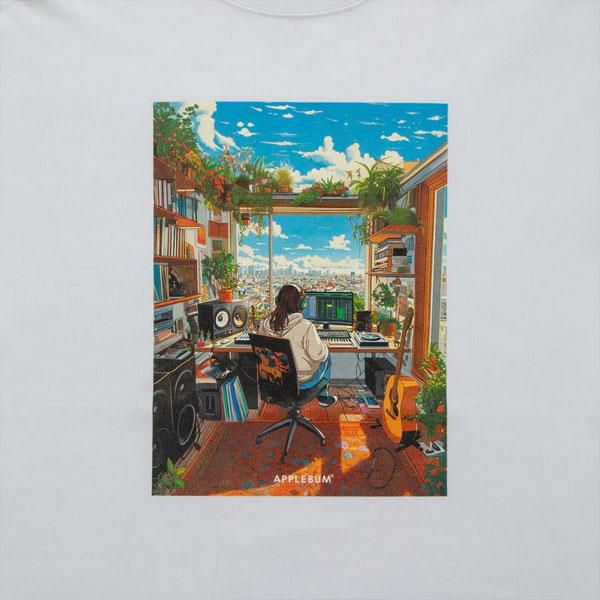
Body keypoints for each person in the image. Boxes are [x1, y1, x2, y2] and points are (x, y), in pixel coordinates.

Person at [258, 284, 337, 408]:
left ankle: (288, 399)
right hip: (303, 382)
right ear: (302, 304)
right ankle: (323, 397)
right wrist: (324, 346)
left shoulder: (265, 323)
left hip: (275, 379)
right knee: (326, 356)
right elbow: (319, 356)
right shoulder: (306, 326)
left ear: (278, 301)